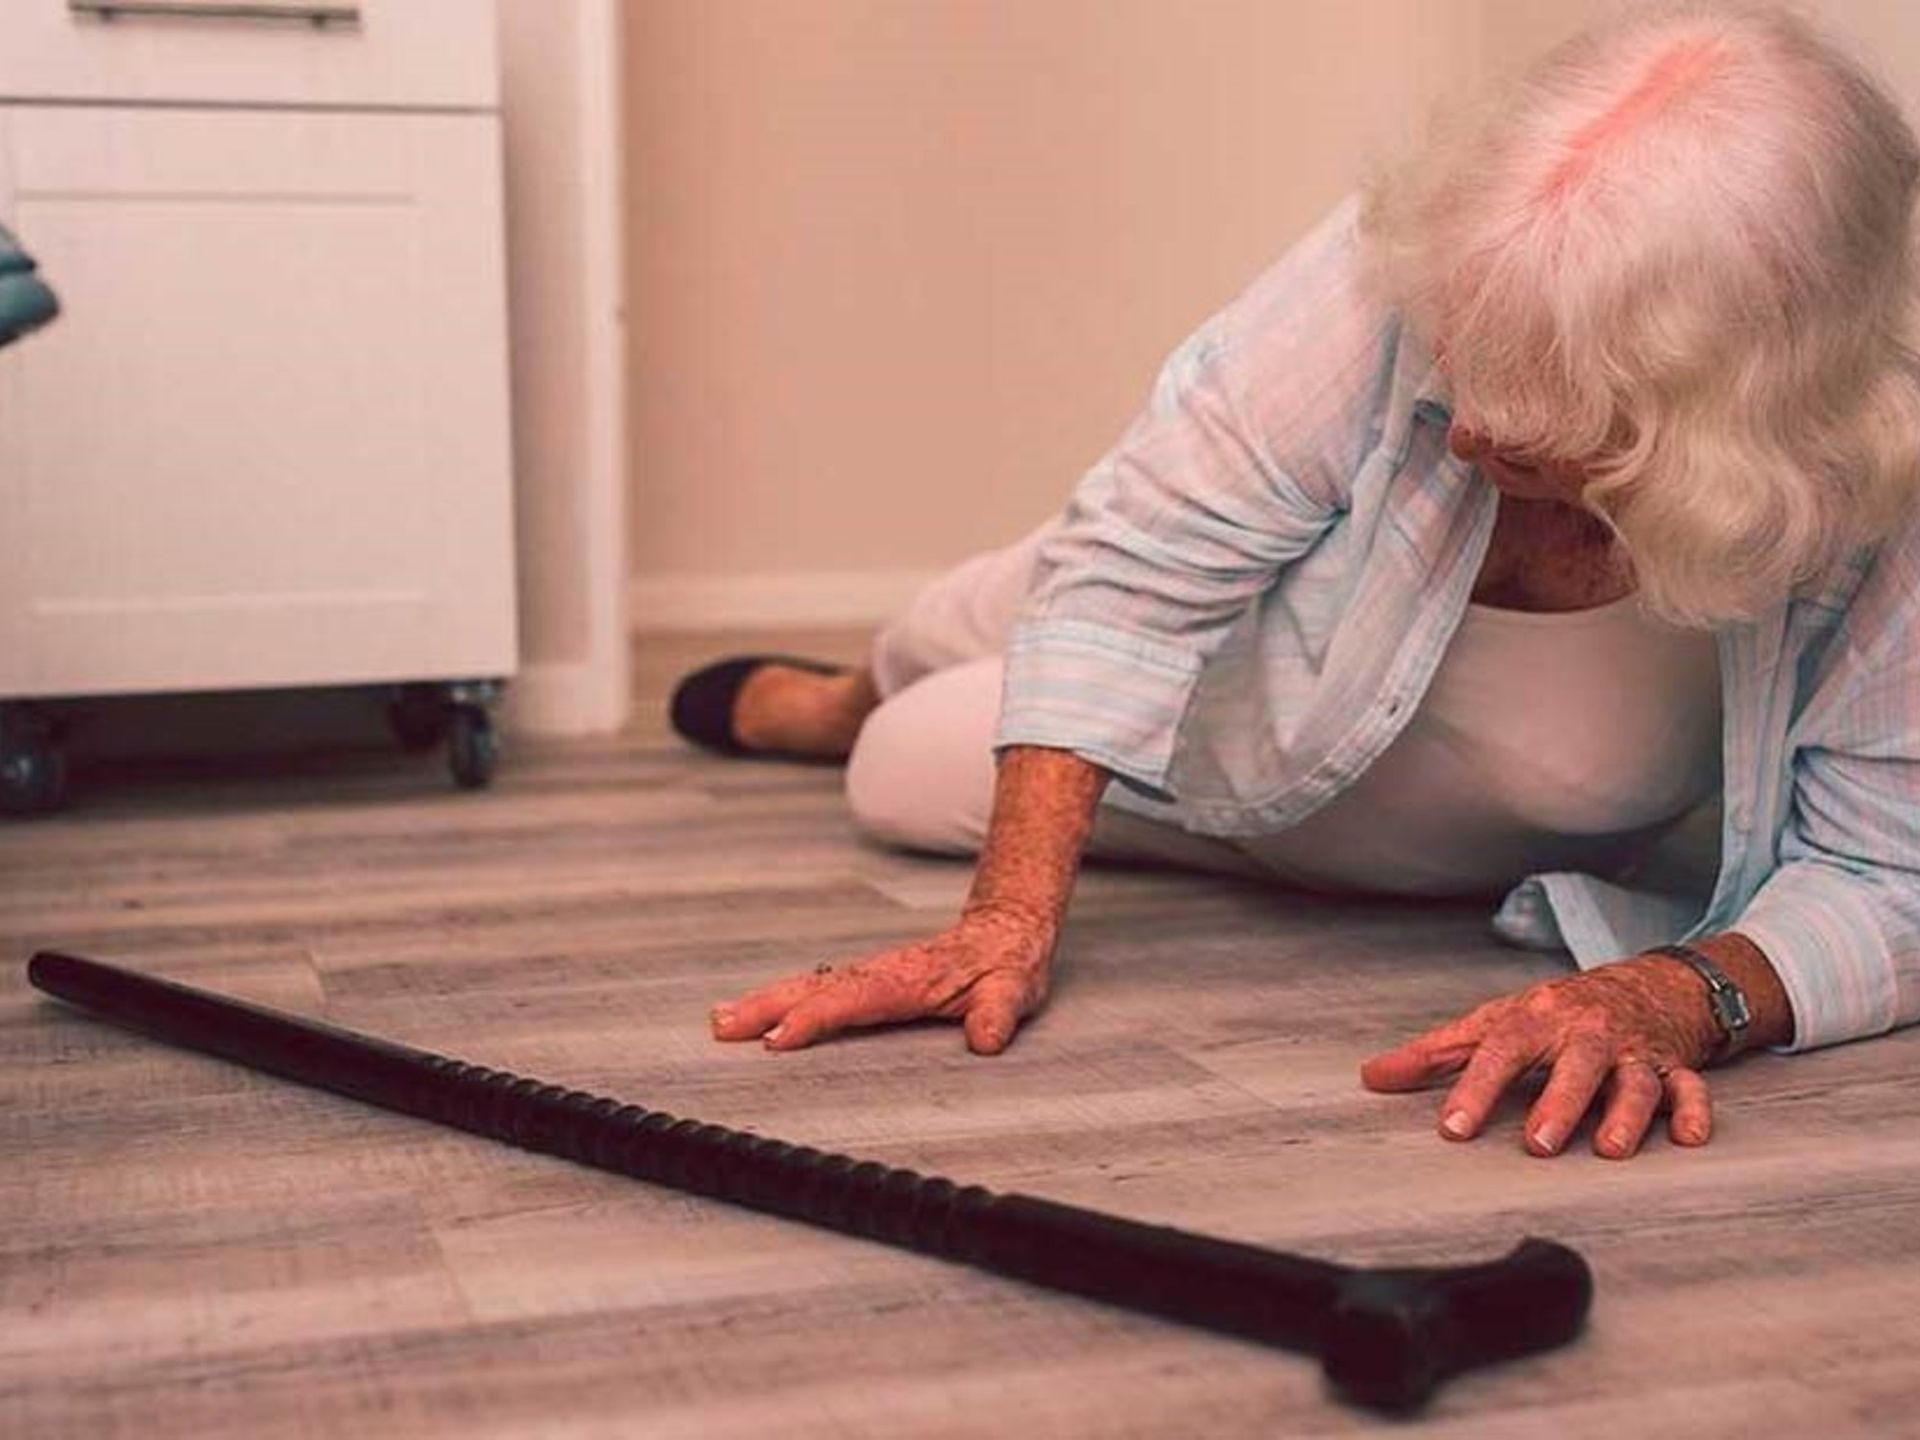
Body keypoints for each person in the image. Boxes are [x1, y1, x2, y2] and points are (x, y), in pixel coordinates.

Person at [670, 0, 1920, 1162]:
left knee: (897, 761)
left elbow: (1889, 879)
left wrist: (1681, 994)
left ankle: (866, 709)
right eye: (1460, 362)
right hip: (1283, 576)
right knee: (996, 605)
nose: (1468, 429)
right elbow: (1141, 557)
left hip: (1332, 728)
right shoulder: (1445, 246)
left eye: (1540, 414)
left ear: (1721, 420)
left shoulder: (1870, 477)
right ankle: (870, 673)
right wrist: (1004, 922)